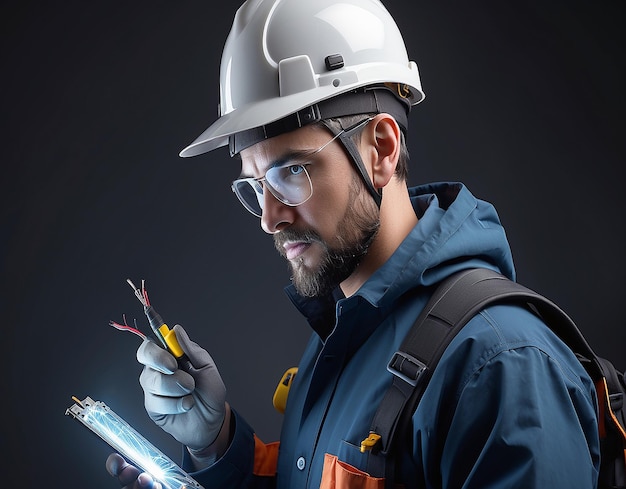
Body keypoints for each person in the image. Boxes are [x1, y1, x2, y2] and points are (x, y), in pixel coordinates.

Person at [106, 0, 600, 487]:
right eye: (255, 186)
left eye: (291, 171)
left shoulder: (501, 366)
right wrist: (216, 443)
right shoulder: (345, 339)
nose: (271, 219)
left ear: (381, 149)